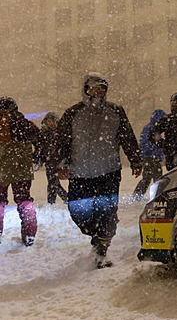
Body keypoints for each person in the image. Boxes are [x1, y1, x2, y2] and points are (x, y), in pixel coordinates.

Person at [55, 73, 143, 268]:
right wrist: (61, 165)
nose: (98, 91)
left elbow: (127, 137)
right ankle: (95, 233)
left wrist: (135, 160)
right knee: (79, 212)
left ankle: (101, 249)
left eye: (102, 88)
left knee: (107, 213)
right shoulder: (73, 113)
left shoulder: (116, 111)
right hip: (80, 174)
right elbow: (61, 141)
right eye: (94, 88)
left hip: (109, 172)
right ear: (86, 89)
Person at [0, 97, 39, 246]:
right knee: (24, 200)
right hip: (21, 168)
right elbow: (40, 140)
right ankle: (29, 234)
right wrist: (36, 157)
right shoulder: (25, 124)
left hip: (1, 167)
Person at [148, 93, 177, 171]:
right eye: (176, 103)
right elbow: (153, 134)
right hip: (171, 158)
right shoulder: (167, 119)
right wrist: (165, 145)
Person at [33, 112, 68, 204]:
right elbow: (40, 149)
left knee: (53, 183)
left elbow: (65, 147)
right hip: (49, 162)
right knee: (53, 183)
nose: (51, 123)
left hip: (60, 162)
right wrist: (38, 161)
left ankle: (54, 202)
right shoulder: (43, 134)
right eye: (48, 121)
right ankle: (63, 199)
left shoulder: (61, 134)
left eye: (52, 121)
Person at [133, 109, 166, 200]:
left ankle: (137, 196)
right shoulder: (152, 129)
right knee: (156, 179)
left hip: (150, 157)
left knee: (148, 179)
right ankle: (157, 196)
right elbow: (146, 144)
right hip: (150, 157)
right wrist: (154, 153)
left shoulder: (150, 128)